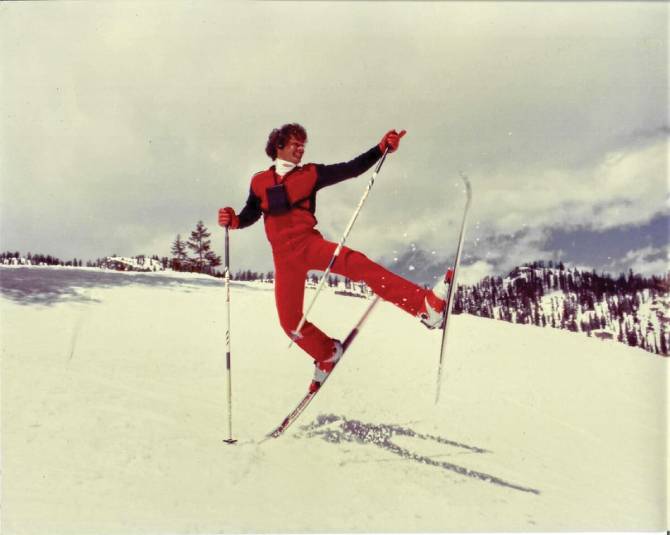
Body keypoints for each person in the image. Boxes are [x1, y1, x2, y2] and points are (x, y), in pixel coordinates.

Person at [219, 123, 452, 391]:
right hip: (283, 259)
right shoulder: (258, 181)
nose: (300, 149)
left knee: (358, 264)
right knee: (289, 322)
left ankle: (424, 307)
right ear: (278, 146)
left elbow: (351, 168)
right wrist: (233, 220)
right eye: (295, 144)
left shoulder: (311, 173)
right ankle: (326, 354)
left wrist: (380, 149)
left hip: (309, 245)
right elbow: (250, 213)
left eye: (303, 145)